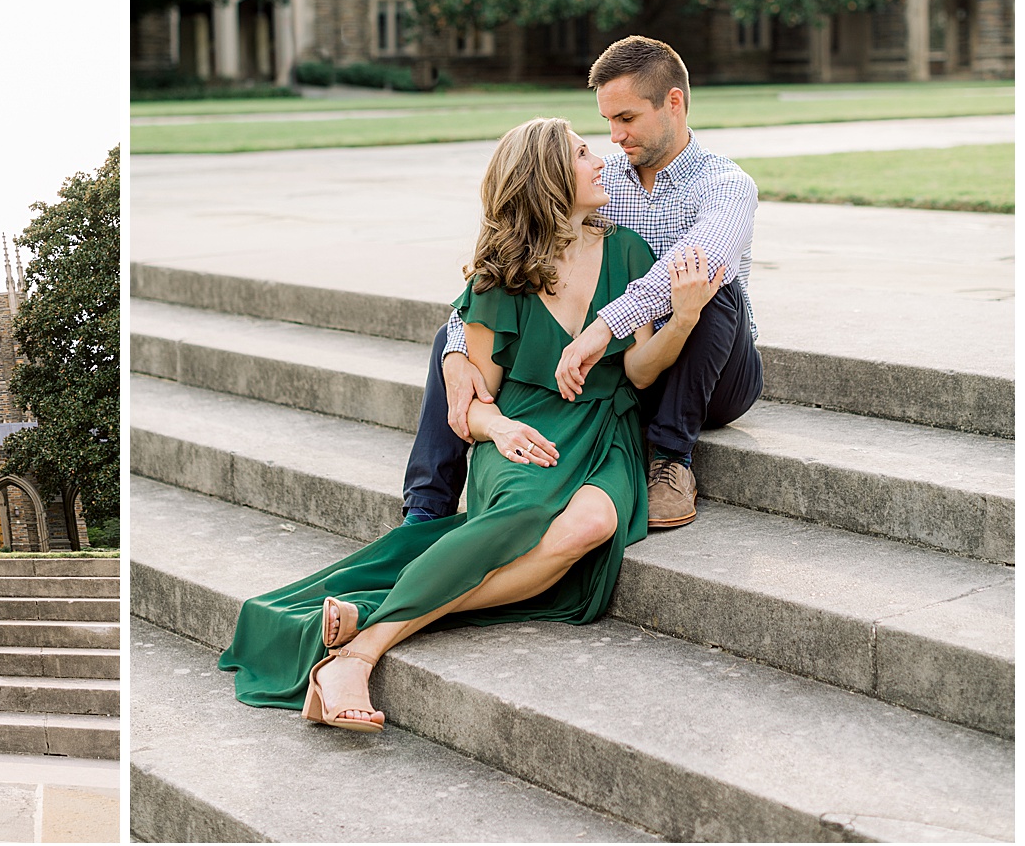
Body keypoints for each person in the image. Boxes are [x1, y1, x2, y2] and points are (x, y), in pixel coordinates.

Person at [219, 116, 724, 729]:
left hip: (604, 431)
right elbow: (473, 402)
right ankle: (357, 657)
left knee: (591, 525)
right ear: (547, 178)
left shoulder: (628, 251)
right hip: (522, 430)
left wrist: (683, 318)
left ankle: (370, 617)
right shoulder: (501, 276)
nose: (601, 162)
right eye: (582, 154)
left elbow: (640, 373)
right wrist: (500, 429)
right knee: (524, 514)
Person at [403, 36, 762, 530]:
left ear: (673, 102)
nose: (615, 136)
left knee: (707, 283)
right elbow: (516, 248)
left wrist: (603, 327)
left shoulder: (726, 184)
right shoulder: (600, 182)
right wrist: (457, 349)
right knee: (451, 336)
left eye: (627, 118)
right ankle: (425, 509)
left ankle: (671, 460)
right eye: (608, 120)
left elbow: (703, 258)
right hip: (627, 365)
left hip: (711, 372)